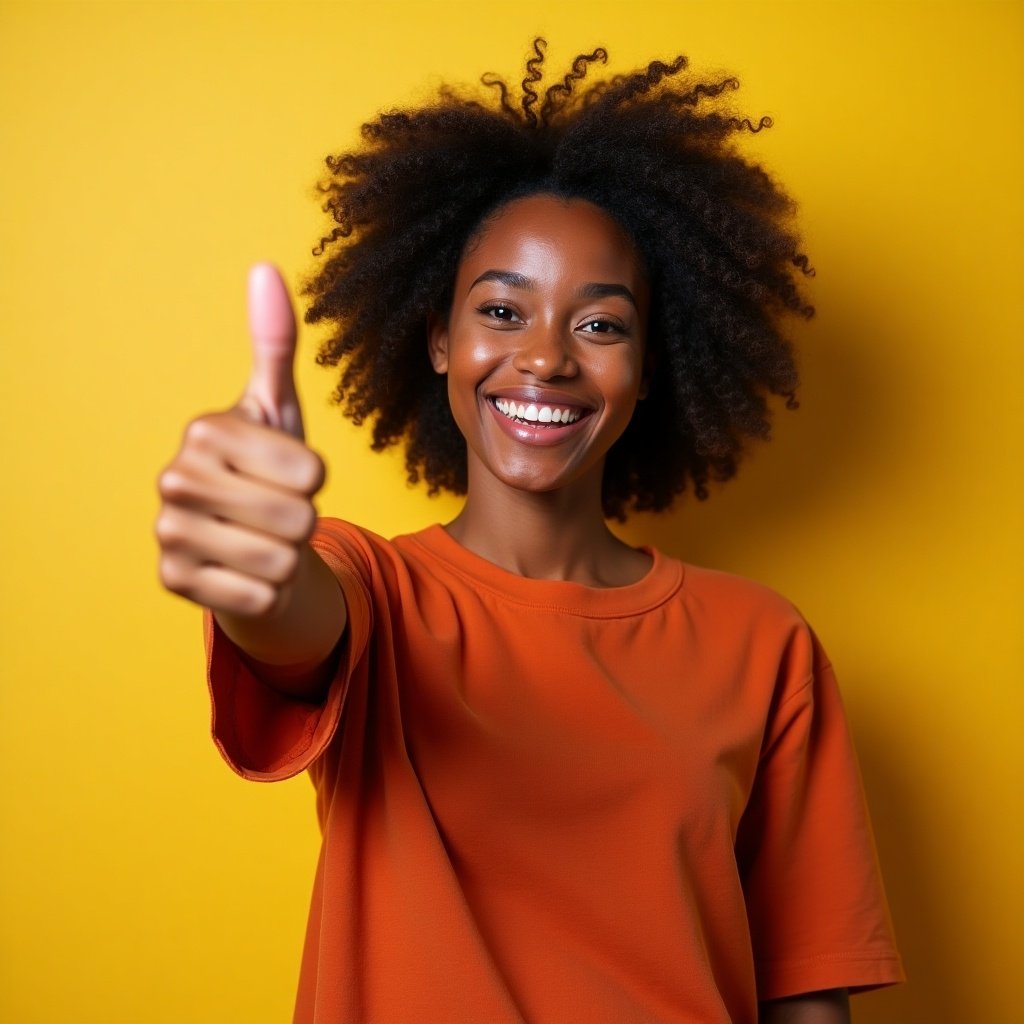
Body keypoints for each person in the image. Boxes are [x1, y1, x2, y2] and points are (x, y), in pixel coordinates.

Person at [156, 41, 904, 1024]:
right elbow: (295, 623)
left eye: (600, 325)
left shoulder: (763, 645)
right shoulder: (372, 591)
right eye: (502, 310)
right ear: (438, 338)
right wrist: (247, 566)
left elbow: (808, 995)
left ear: (649, 363)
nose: (545, 357)